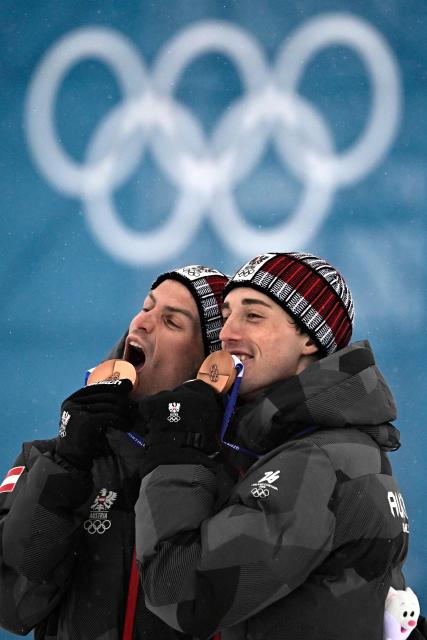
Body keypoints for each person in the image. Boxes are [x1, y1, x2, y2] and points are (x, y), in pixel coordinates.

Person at [133, 252, 417, 640]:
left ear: (308, 338)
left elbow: (183, 592)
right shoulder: (332, 444)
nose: (227, 332)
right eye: (227, 314)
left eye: (253, 316)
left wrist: (176, 451)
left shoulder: (315, 461)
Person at [0, 264, 229, 640]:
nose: (142, 323)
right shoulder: (51, 458)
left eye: (172, 322)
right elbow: (11, 605)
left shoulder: (230, 472)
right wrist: (66, 465)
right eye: (146, 306)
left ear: (207, 368)